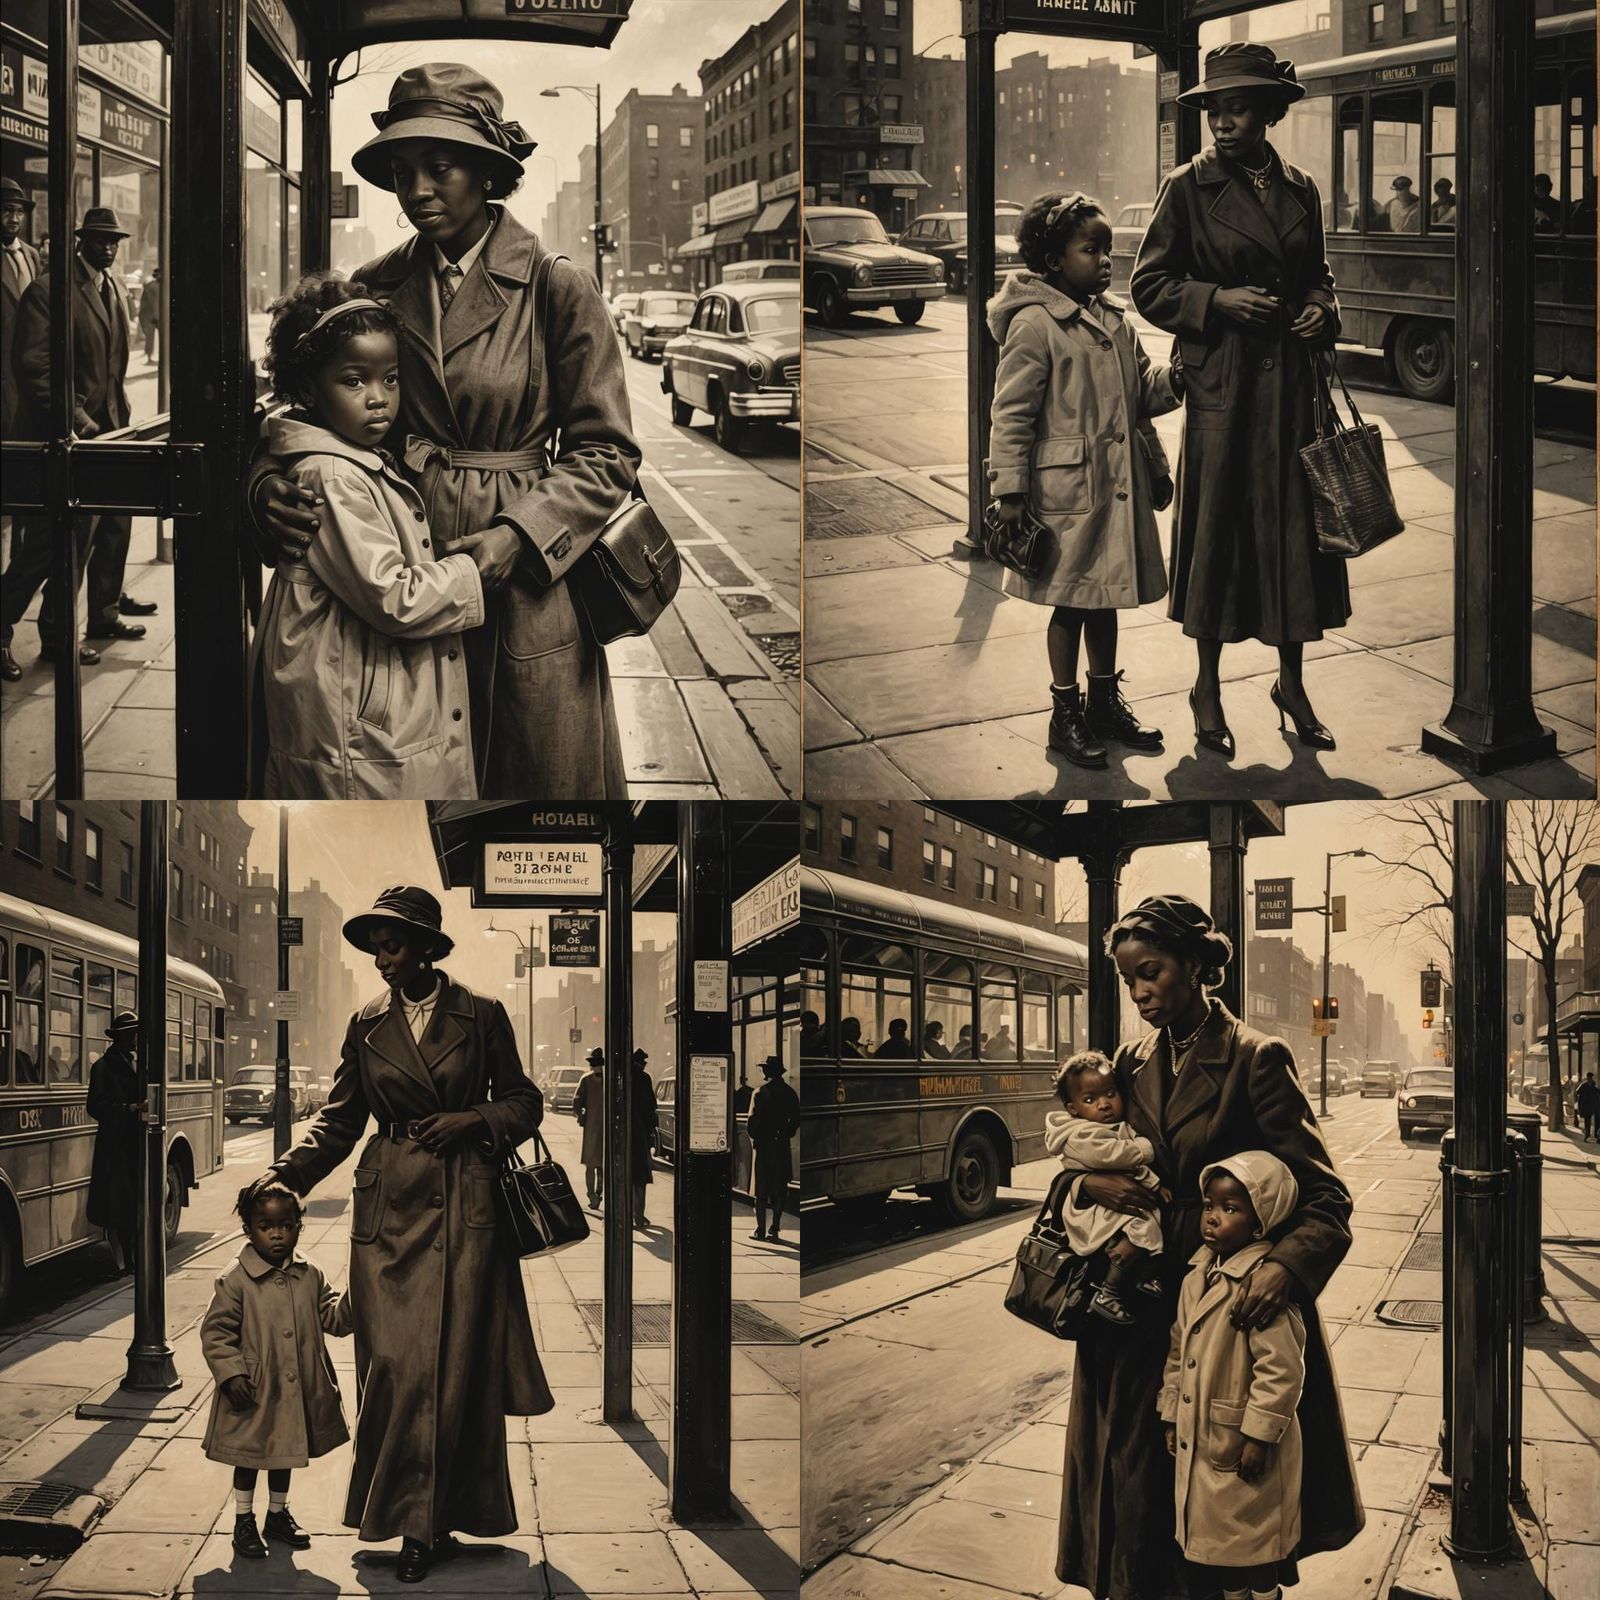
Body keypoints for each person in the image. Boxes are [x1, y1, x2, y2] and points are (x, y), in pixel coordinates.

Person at [250, 64, 639, 796]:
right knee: (413, 786)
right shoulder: (373, 287)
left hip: (525, 581)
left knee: (532, 776)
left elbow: (607, 452)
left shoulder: (557, 285)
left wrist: (516, 537)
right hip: (400, 563)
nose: (417, 190)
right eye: (403, 171)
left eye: (440, 167)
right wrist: (263, 485)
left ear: (488, 171)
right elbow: (301, 407)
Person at [1054, 893, 1362, 1599]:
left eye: (1152, 972)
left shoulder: (1257, 1058)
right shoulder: (1126, 1066)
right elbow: (1081, 1164)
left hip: (1222, 1327)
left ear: (1194, 965)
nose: (1140, 993)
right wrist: (1087, 1190)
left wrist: (1283, 1268)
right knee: (1132, 1522)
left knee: (1221, 1535)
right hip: (1132, 1325)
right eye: (1130, 979)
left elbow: (1326, 1201)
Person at [250, 885, 552, 1585]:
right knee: (391, 1368)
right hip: (386, 1212)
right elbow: (339, 1119)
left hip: (462, 1209)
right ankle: (402, 1512)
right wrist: (286, 1175)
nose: (382, 960)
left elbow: (525, 1101)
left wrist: (473, 1121)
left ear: (426, 948)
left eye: (393, 946)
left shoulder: (481, 1015)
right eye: (376, 948)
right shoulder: (366, 1023)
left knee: (448, 1373)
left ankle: (425, 1525)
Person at [1132, 43, 1346, 760]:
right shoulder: (1186, 188)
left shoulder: (1302, 188)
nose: (1222, 123)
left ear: (1269, 113)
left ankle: (1292, 684)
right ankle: (1206, 689)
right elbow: (1148, 286)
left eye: (1237, 109)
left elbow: (1318, 273)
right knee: (1218, 541)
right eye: (1214, 110)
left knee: (1292, 541)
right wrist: (1215, 299)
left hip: (1290, 390)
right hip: (1223, 387)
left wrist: (1321, 306)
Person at [250, 271, 493, 797]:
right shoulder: (332, 475)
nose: (379, 398)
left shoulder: (356, 457)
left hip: (359, 687)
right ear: (308, 390)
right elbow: (392, 597)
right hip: (353, 704)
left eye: (390, 378)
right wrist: (473, 571)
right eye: (354, 381)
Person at [988, 191, 1179, 769]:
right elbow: (1012, 412)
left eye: (1108, 251)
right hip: (1066, 493)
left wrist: (1180, 380)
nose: (1105, 260)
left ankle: (1103, 703)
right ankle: (1064, 713)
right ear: (1052, 262)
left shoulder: (1116, 321)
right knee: (1071, 602)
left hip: (1114, 486)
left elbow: (1141, 395)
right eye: (1090, 250)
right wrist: (1011, 489)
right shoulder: (1035, 325)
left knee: (1106, 601)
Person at [3, 207, 154, 683]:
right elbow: (34, 369)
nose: (108, 247)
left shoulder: (111, 289)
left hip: (108, 433)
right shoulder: (49, 291)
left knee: (110, 529)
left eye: (114, 240)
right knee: (51, 547)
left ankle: (89, 621)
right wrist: (80, 419)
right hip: (67, 436)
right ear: (80, 241)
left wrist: (118, 420)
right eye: (100, 240)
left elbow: (111, 365)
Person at [1160, 1152, 1308, 1599]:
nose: (1212, 1218)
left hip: (1242, 1443)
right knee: (1222, 1547)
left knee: (1256, 1545)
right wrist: (1171, 1411)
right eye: (1209, 1206)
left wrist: (1260, 1436)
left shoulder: (1259, 1288)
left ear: (1260, 1223)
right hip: (1203, 1437)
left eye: (1230, 1209)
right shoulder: (1195, 1277)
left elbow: (1280, 1370)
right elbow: (1177, 1349)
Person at [201, 1181, 352, 1559]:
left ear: (299, 1226)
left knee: (284, 1453)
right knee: (250, 1457)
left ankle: (277, 1514)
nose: (277, 1234)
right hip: (254, 1388)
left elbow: (333, 1318)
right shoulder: (234, 1279)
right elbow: (217, 1333)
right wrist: (231, 1374)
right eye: (266, 1227)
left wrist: (359, 1294)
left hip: (295, 1389)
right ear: (249, 1230)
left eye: (286, 1225)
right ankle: (243, 1520)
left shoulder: (310, 1273)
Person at [1045, 1050, 1165, 1325]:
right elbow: (1112, 1158)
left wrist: (1155, 1184)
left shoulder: (1106, 1125)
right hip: (1098, 1212)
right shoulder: (1083, 1133)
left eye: (1110, 1094)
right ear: (1073, 1108)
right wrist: (1146, 1149)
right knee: (1140, 1227)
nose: (1104, 1104)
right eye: (1091, 1100)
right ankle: (1110, 1292)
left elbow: (1130, 1169)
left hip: (1126, 1207)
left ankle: (1145, 1276)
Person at [86, 1010, 144, 1276]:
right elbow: (95, 1106)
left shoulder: (136, 1064)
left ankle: (131, 1259)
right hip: (114, 1148)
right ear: (122, 1038)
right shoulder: (103, 1067)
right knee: (117, 1208)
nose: (136, 1040)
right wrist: (129, 1108)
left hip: (133, 1146)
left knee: (132, 1205)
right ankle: (123, 1262)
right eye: (132, 1035)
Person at [1, 177, 41, 441]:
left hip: (30, 364)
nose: (14, 218)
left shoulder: (31, 254)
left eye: (19, 211)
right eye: (6, 210)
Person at [746, 1055, 800, 1242]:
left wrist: (756, 1138)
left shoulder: (760, 1093)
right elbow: (795, 1121)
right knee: (779, 1189)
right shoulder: (790, 1093)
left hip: (763, 1147)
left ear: (767, 1072)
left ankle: (760, 1229)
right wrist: (785, 1134)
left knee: (760, 1190)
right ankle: (774, 1228)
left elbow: (752, 1124)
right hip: (781, 1146)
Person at [572, 1046, 606, 1207]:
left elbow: (576, 1102)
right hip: (607, 1129)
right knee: (602, 1165)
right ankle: (599, 1193)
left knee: (590, 1165)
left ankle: (592, 1195)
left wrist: (582, 1116)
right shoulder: (611, 1079)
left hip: (592, 1128)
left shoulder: (586, 1080)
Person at [631, 1048, 657, 1229]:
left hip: (625, 1135)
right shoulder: (645, 1078)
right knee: (640, 1179)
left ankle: (631, 1213)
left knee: (628, 1178)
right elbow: (652, 1106)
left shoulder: (623, 1076)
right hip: (641, 1136)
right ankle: (638, 1215)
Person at [138, 266, 160, 360]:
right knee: (162, 338)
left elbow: (144, 303)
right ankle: (157, 355)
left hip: (150, 315)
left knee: (149, 338)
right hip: (158, 315)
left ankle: (149, 356)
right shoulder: (159, 286)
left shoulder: (149, 285)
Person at [1576, 1072, 1599, 1142]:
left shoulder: (1592, 1085)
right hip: (1588, 1106)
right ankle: (1587, 1136)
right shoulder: (1585, 1085)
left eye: (1590, 1078)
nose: (1590, 1079)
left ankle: (1595, 1136)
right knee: (1588, 1122)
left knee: (1595, 1122)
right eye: (1589, 1078)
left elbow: (1577, 1092)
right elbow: (1577, 1092)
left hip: (1593, 1105)